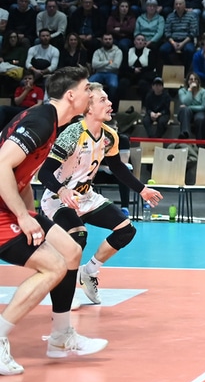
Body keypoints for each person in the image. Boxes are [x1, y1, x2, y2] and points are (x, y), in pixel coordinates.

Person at [0, 66, 101, 375]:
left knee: (71, 251)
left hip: (9, 205)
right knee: (54, 266)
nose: (90, 94)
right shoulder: (41, 122)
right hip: (2, 212)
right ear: (71, 95)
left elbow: (21, 176)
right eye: (86, 89)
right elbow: (1, 165)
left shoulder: (52, 122)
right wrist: (21, 217)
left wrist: (31, 215)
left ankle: (60, 336)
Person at [38, 84, 163, 306]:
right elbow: (44, 172)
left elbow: (117, 167)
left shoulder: (109, 136)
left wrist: (142, 190)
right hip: (59, 199)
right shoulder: (72, 134)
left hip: (86, 197)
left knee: (126, 230)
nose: (110, 103)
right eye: (103, 100)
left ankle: (89, 271)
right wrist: (62, 190)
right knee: (78, 236)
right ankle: (65, 294)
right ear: (88, 108)